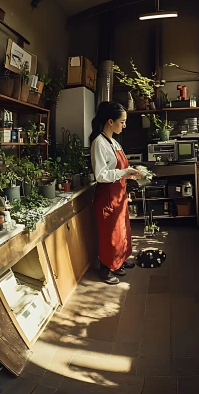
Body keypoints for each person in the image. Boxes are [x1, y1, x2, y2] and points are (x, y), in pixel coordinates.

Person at [90, 101, 143, 284]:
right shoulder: (99, 143)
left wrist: (131, 174)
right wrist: (124, 173)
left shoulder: (113, 142)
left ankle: (118, 262)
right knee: (109, 235)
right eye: (122, 122)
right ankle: (105, 268)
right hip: (107, 197)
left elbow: (121, 169)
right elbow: (101, 175)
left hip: (119, 194)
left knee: (122, 231)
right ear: (110, 121)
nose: (124, 125)